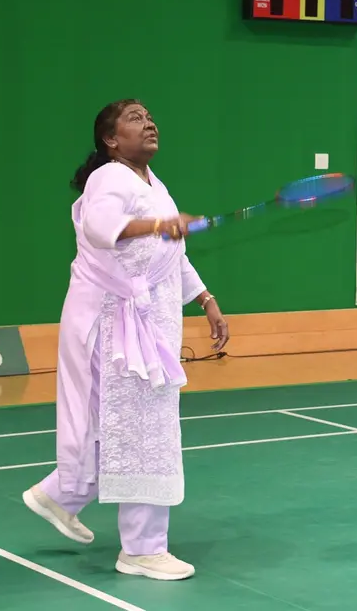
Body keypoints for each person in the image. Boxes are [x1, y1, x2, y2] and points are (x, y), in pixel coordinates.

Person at [20, 99, 230, 581]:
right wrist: (160, 225)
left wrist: (205, 299)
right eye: (135, 118)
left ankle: (61, 493)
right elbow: (100, 230)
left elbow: (168, 257)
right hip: (115, 328)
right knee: (140, 432)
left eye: (151, 115)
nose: (149, 122)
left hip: (146, 327)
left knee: (123, 423)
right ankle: (141, 549)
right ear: (112, 140)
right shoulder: (109, 178)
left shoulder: (154, 185)